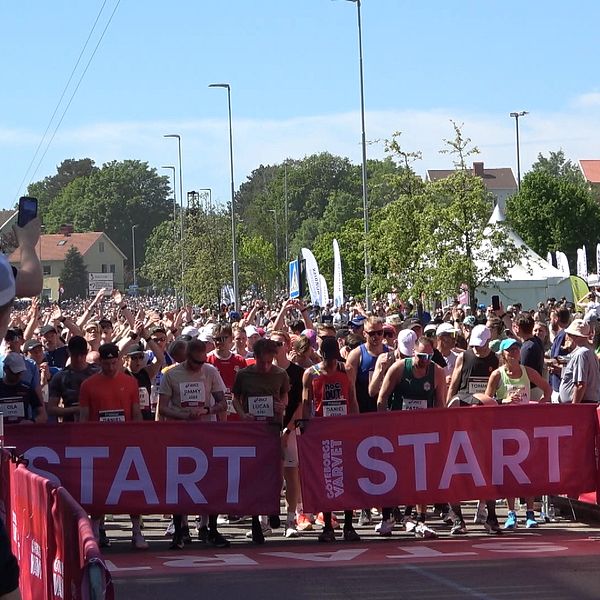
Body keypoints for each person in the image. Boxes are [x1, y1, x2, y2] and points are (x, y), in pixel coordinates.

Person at [158, 339, 229, 549]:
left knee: (211, 480)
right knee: (179, 481)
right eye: (196, 362)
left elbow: (223, 402)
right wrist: (183, 415)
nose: (200, 366)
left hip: (206, 432)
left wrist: (206, 411)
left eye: (203, 361)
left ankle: (210, 528)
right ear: (187, 357)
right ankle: (180, 528)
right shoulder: (171, 374)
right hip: (180, 434)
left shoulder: (211, 371)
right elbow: (163, 408)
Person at [79, 343, 148, 550]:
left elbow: (136, 412)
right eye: (106, 363)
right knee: (99, 488)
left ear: (118, 360)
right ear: (100, 362)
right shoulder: (88, 385)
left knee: (133, 488)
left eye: (113, 362)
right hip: (98, 445)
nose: (110, 367)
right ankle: (96, 531)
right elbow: (83, 417)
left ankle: (136, 531)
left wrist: (139, 438)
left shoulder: (130, 382)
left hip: (125, 445)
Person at [375, 336, 446, 538]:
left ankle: (419, 518)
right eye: (422, 355)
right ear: (414, 352)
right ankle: (387, 516)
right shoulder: (399, 368)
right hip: (397, 430)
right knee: (393, 475)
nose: (425, 360)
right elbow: (382, 397)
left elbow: (440, 403)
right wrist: (384, 425)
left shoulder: (437, 372)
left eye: (429, 356)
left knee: (421, 476)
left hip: (423, 432)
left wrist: (438, 430)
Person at [482, 338, 552, 529]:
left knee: (527, 470)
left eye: (516, 350)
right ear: (503, 355)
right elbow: (486, 400)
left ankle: (530, 514)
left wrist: (539, 405)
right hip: (504, 428)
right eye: (510, 350)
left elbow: (547, 388)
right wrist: (503, 401)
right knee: (509, 473)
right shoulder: (497, 375)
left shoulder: (528, 372)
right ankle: (511, 513)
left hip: (525, 427)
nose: (514, 353)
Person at [302, 336, 360, 542]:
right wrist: (305, 428)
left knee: (347, 478)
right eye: (328, 359)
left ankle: (349, 525)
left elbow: (352, 399)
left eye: (335, 359)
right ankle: (327, 525)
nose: (332, 363)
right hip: (322, 432)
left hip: (344, 430)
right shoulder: (311, 373)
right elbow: (306, 402)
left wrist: (356, 425)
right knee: (327, 479)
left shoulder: (346, 371)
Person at [232, 337, 289, 544]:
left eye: (269, 361)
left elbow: (285, 396)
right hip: (251, 431)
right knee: (253, 476)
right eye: (262, 362)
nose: (266, 366)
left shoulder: (280, 374)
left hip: (272, 429)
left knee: (275, 473)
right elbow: (235, 399)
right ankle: (256, 521)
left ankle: (273, 506)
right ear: (254, 357)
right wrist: (242, 415)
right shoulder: (244, 375)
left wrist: (282, 406)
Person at [346, 316, 388, 526]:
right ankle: (364, 507)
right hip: (363, 414)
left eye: (380, 333)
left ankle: (384, 505)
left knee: (384, 460)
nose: (376, 337)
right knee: (363, 462)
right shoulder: (357, 355)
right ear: (364, 333)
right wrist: (353, 414)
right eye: (372, 333)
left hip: (384, 416)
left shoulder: (390, 353)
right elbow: (350, 389)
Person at [270, 330, 304, 537]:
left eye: (279, 343)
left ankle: (290, 520)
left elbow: (301, 404)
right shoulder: (260, 371)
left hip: (291, 429)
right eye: (271, 343)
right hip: (266, 429)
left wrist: (288, 429)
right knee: (266, 475)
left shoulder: (298, 372)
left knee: (291, 474)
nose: (275, 346)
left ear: (287, 346)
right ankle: (265, 519)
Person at [47, 336, 99, 422]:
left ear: (86, 352)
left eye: (82, 354)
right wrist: (76, 410)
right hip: (70, 425)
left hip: (94, 423)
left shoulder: (97, 373)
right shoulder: (60, 377)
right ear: (69, 352)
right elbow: (51, 409)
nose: (79, 359)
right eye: (75, 355)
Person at [559, 319, 600, 404]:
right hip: (585, 402)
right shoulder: (589, 351)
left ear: (575, 336)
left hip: (581, 404)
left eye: (570, 334)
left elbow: (580, 384)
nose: (568, 336)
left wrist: (574, 407)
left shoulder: (581, 354)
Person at [0, 353, 46, 425]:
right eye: (15, 373)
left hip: (22, 432)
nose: (18, 376)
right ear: (5, 369)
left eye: (20, 372)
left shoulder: (26, 388)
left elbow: (43, 415)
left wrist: (32, 421)